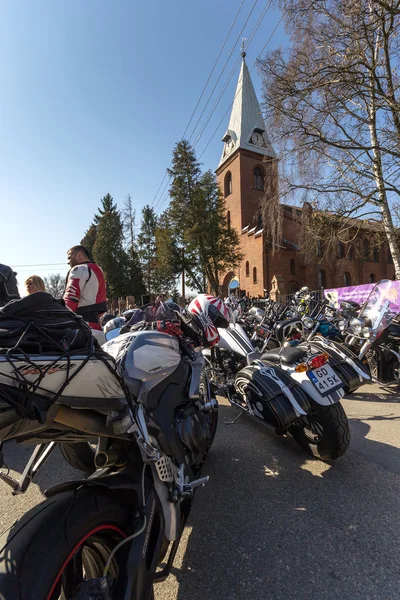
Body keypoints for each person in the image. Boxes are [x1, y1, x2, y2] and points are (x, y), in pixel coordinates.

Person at [64, 245, 107, 332]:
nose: (68, 262)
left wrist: (60, 316)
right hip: (97, 324)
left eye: (69, 257)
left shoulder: (78, 269)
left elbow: (71, 297)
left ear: (79, 255)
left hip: (81, 325)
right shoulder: (98, 269)